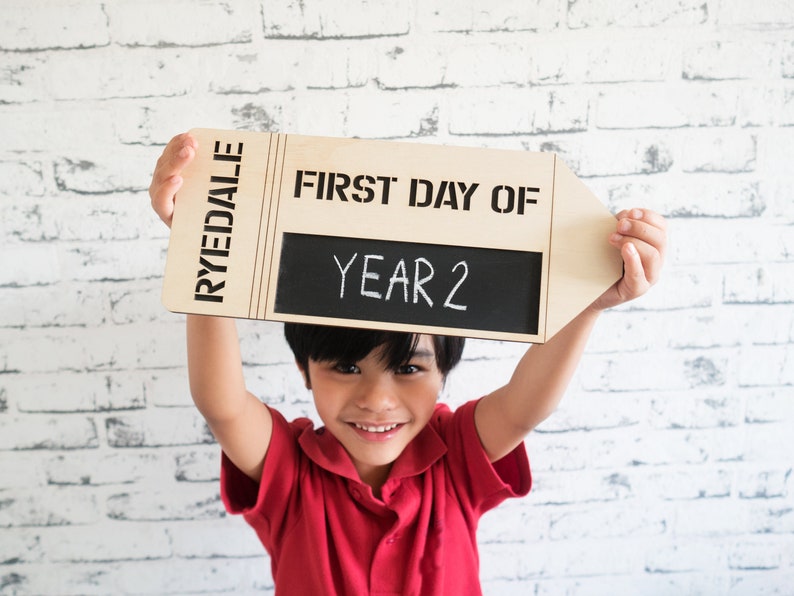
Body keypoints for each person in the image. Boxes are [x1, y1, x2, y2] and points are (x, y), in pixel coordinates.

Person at [149, 132, 667, 595]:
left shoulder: (457, 455)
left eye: (410, 368)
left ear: (444, 373)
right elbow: (222, 405)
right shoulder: (290, 470)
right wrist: (201, 248)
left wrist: (590, 303)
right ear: (304, 369)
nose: (377, 400)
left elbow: (524, 409)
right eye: (347, 368)